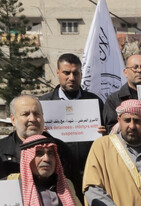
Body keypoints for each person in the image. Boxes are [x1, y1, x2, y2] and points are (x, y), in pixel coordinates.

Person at [39, 53, 106, 197]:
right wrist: (41, 132)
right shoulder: (44, 103)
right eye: (66, 73)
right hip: (58, 174)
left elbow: (108, 136)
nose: (71, 77)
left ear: (81, 74)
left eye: (76, 73)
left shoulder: (95, 101)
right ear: (58, 73)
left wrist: (104, 132)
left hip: (91, 172)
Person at [0, 95, 77, 189]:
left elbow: (74, 187)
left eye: (37, 114)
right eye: (25, 114)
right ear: (13, 119)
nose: (32, 119)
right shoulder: (2, 150)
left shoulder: (60, 148)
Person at [102, 54, 141, 128]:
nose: (139, 70)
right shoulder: (114, 100)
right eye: (135, 67)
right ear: (125, 72)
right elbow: (110, 129)